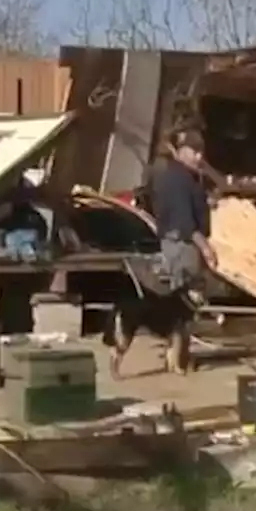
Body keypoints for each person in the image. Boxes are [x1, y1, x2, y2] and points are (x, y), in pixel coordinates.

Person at [108, 129, 218, 379]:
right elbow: (184, 223)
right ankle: (178, 360)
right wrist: (205, 247)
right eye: (194, 151)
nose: (199, 157)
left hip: (180, 245)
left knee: (182, 309)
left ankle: (178, 358)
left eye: (201, 152)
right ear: (179, 151)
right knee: (182, 308)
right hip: (182, 246)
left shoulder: (186, 177)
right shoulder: (177, 179)